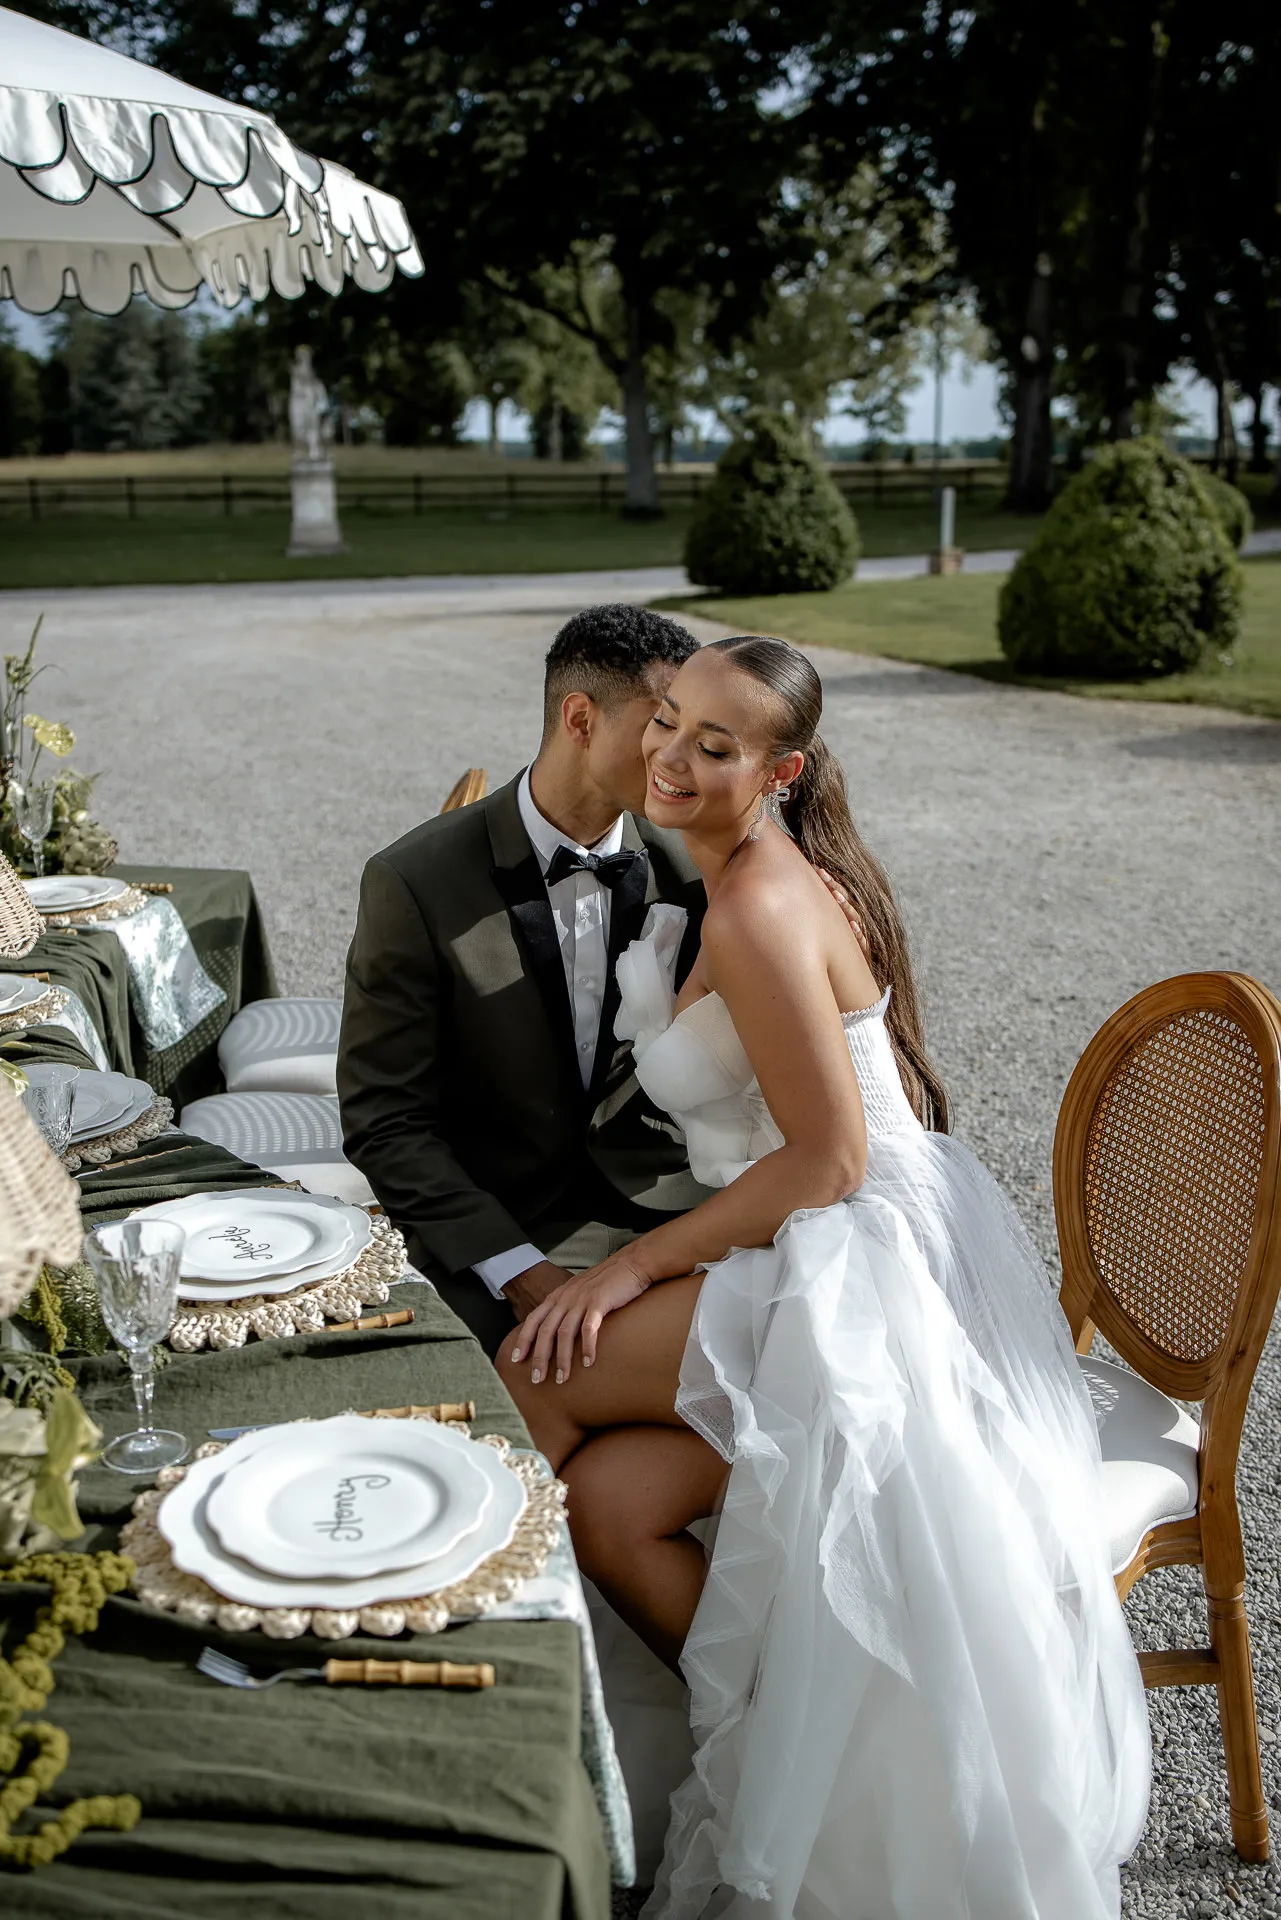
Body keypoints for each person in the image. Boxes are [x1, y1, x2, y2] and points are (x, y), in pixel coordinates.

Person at [500, 635, 1152, 1918]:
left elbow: (834, 1159)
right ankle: (782, 1753)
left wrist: (625, 1269)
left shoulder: (755, 906)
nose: (673, 757)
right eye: (670, 722)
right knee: (610, 1503)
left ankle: (505, 1780)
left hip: (852, 1252)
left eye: (718, 746)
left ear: (782, 770)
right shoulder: (727, 873)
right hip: (809, 1230)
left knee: (537, 1375)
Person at [337, 604, 709, 1355]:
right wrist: (516, 1270)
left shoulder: (697, 865)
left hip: (674, 1220)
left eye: (694, 733)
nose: (680, 759)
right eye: (659, 726)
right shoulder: (413, 881)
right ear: (579, 719)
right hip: (500, 1229)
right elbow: (386, 1119)